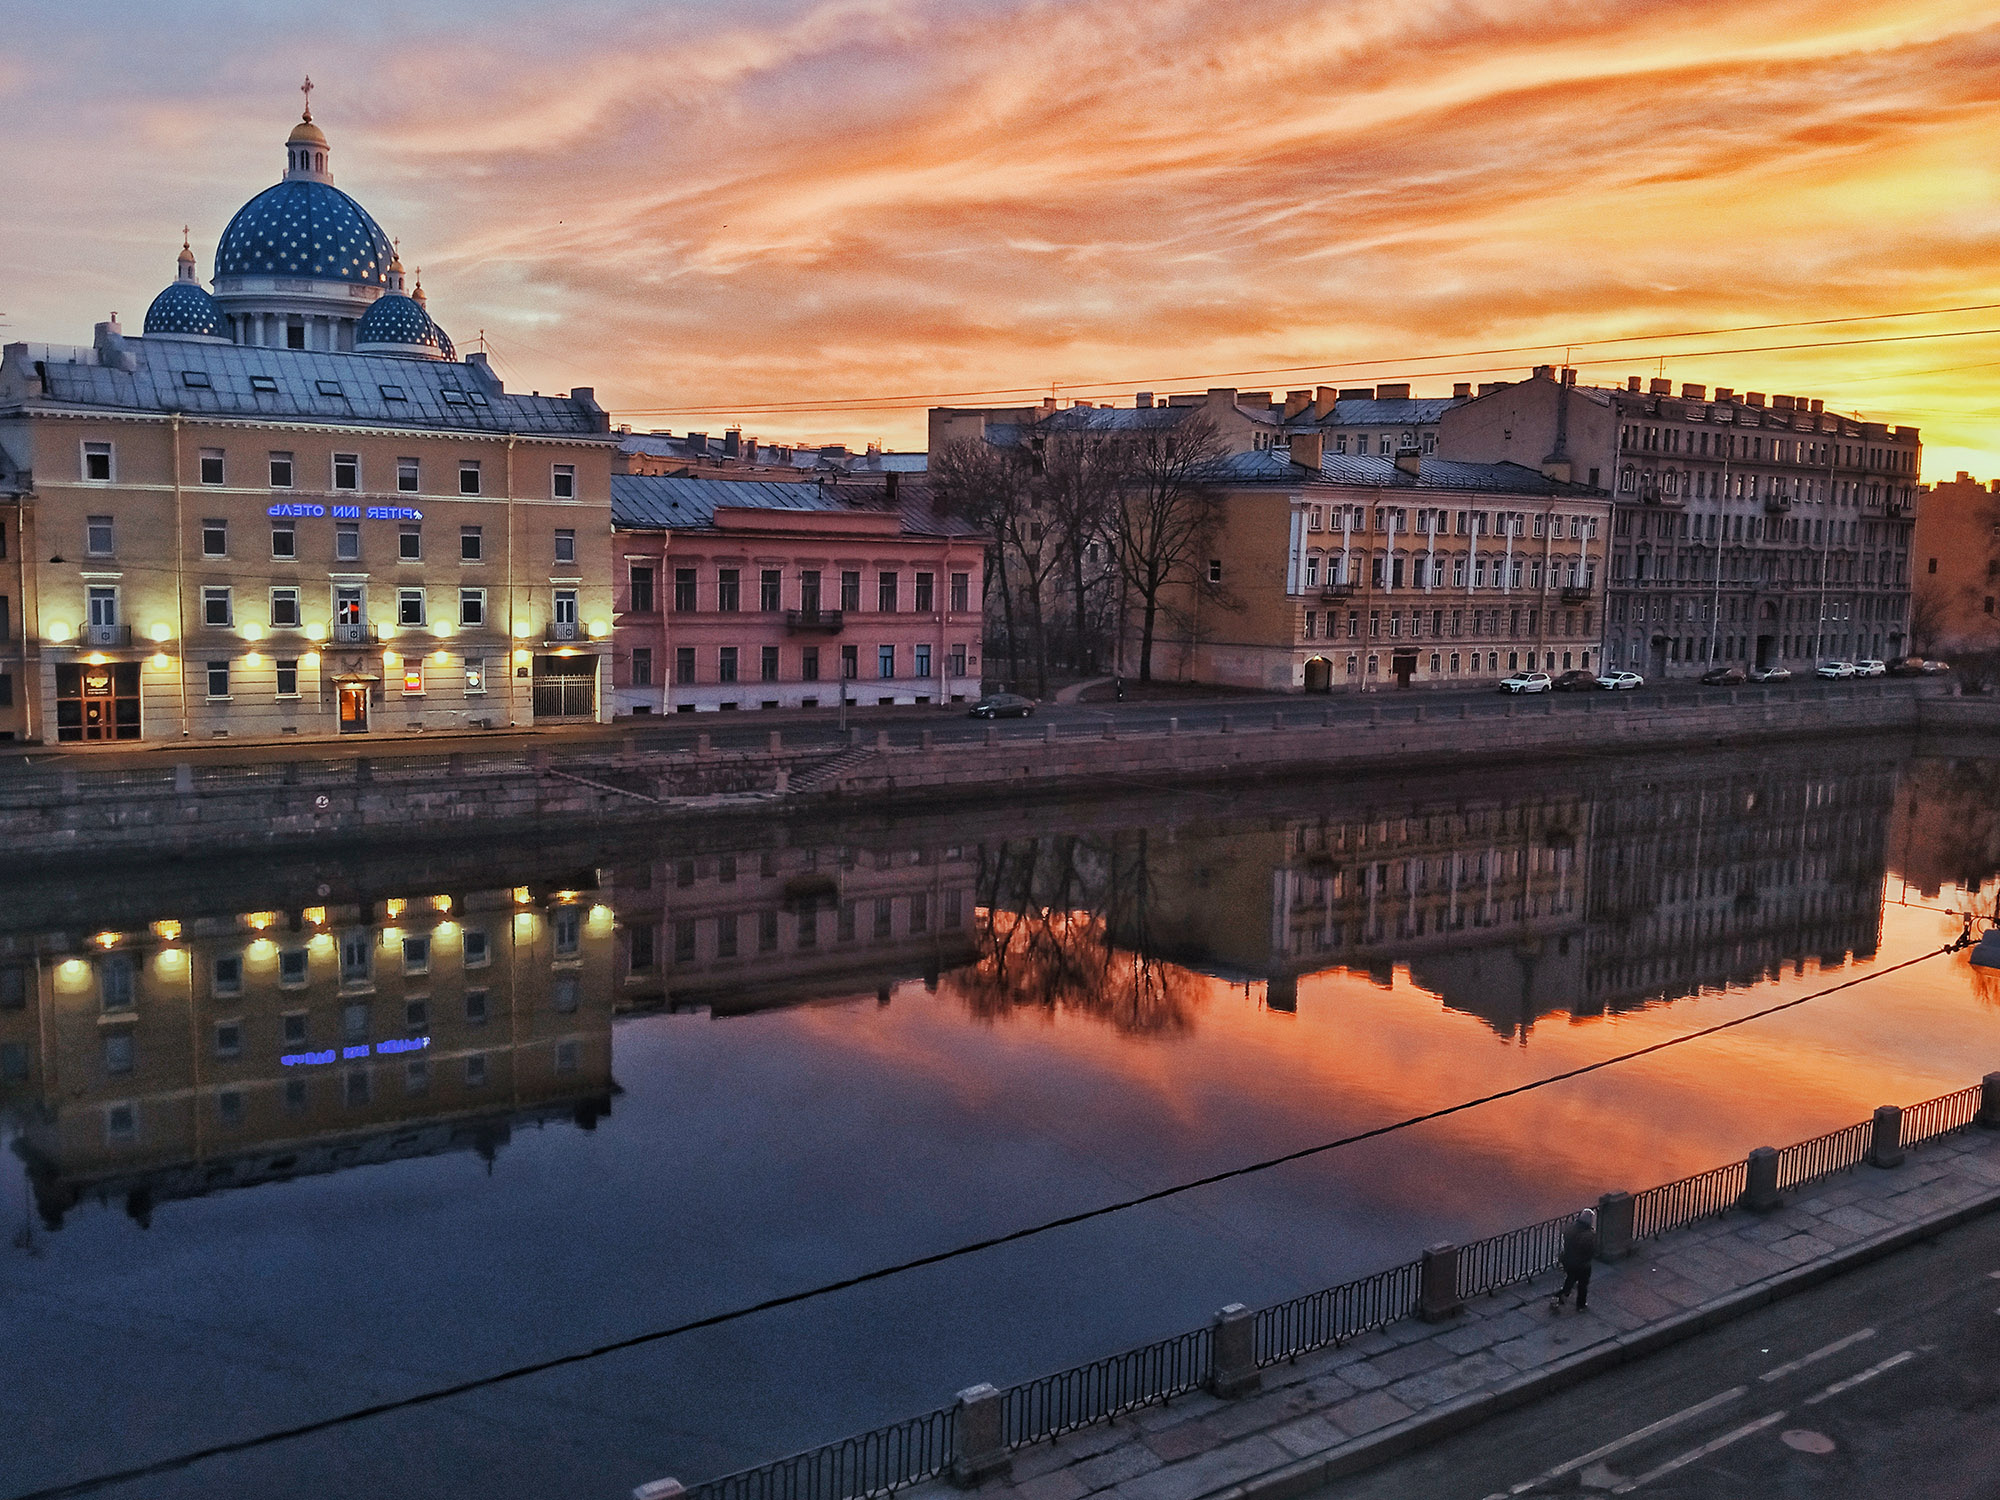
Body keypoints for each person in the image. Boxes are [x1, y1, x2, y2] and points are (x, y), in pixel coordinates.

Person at [1550, 1209, 1598, 1312]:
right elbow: (1591, 1250)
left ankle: (1558, 1297)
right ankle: (1580, 1305)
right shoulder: (1589, 1235)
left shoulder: (1571, 1228)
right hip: (1582, 1264)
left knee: (1570, 1280)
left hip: (1568, 1260)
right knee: (1582, 1284)